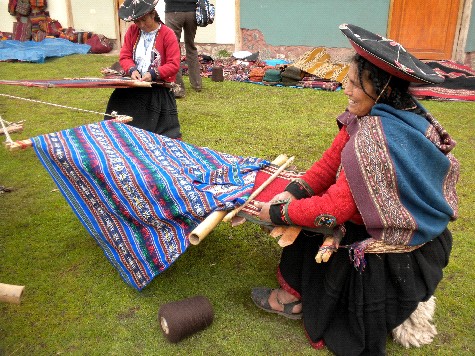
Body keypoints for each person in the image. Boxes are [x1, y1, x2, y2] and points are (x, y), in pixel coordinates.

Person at [251, 24, 460, 355]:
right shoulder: (386, 114)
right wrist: (294, 190)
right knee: (306, 212)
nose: (344, 89)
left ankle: (294, 300)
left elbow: (334, 210)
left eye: (352, 83)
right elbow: (327, 165)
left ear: (379, 87)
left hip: (389, 251)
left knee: (311, 226)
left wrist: (277, 211)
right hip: (411, 233)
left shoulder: (377, 139)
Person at [104, 0, 182, 139]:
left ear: (153, 15)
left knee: (157, 136)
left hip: (158, 91)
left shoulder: (168, 34)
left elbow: (173, 64)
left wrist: (153, 74)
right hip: (133, 86)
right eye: (137, 21)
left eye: (144, 20)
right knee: (119, 127)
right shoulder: (133, 31)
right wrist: (132, 70)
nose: (141, 25)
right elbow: (125, 56)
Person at [164, 0, 203, 97]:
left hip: (173, 11)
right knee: (191, 46)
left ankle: (178, 88)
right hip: (192, 12)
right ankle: (197, 84)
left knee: (173, 49)